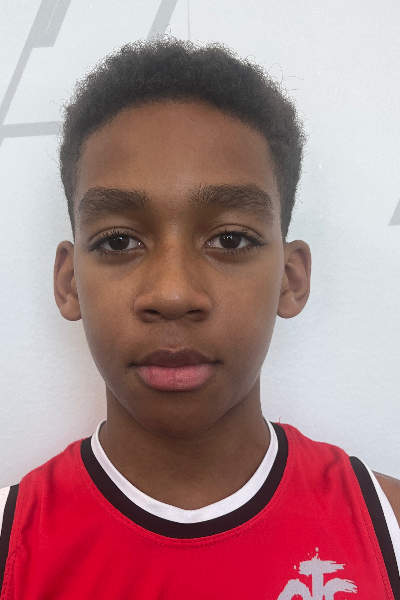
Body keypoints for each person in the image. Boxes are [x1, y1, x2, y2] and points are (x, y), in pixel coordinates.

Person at [0, 38, 399, 599]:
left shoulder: (386, 527)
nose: (172, 293)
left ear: (290, 278)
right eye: (118, 241)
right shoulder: (12, 545)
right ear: (70, 284)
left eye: (230, 239)